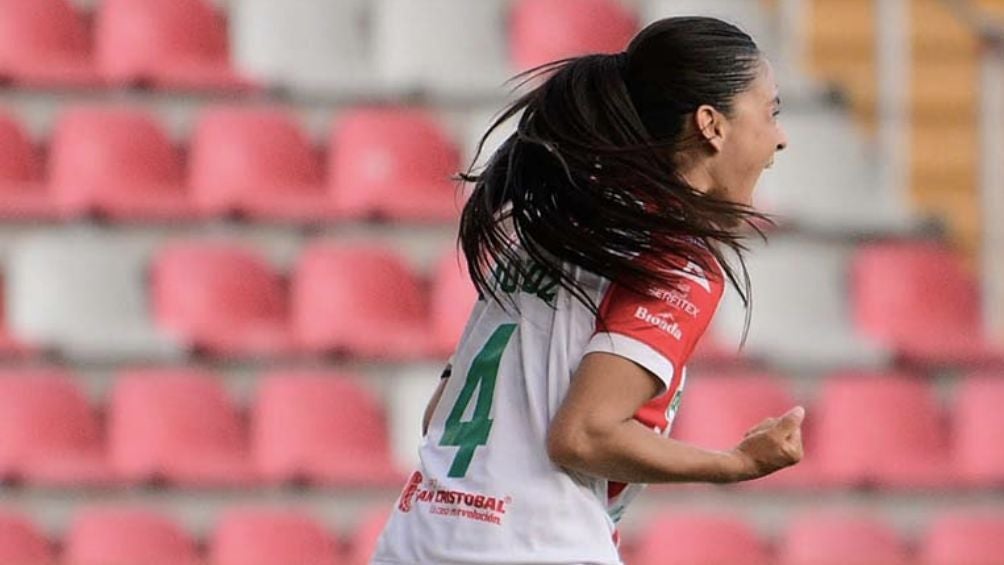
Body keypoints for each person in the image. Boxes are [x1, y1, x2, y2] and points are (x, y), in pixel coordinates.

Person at [372, 16, 802, 565]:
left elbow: (440, 413)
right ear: (711, 125)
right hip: (533, 546)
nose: (780, 137)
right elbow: (583, 435)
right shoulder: (674, 261)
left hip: (416, 541)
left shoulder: (555, 232)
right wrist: (734, 464)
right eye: (771, 112)